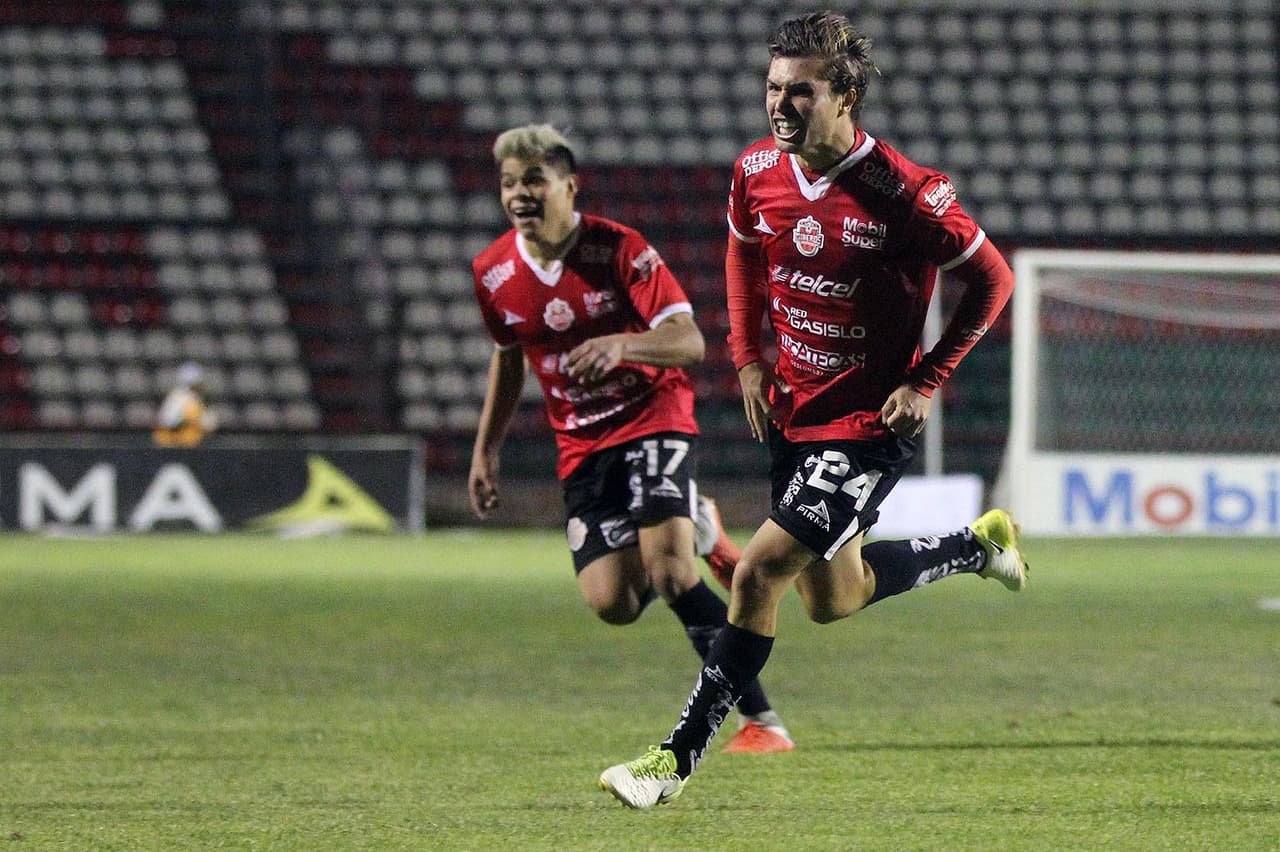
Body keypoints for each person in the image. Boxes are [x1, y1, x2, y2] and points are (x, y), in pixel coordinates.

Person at [599, 11, 1030, 807]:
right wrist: (749, 358)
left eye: (800, 92)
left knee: (758, 572)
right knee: (835, 598)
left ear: (847, 95)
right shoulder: (756, 170)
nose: (780, 105)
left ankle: (672, 764)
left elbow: (994, 281)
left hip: (868, 426)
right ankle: (973, 548)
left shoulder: (908, 193)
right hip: (795, 410)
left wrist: (926, 380)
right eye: (772, 89)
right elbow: (741, 250)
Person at [468, 124, 793, 753]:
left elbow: (690, 341)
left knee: (671, 573)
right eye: (509, 183)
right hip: (581, 445)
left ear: (569, 184)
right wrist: (488, 448)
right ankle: (696, 526)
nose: (518, 194)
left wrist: (624, 344)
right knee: (612, 603)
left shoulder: (619, 249)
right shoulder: (492, 272)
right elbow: (508, 358)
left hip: (653, 416)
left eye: (534, 179)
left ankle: (763, 722)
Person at [153, 362, 217, 447]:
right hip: (173, 445)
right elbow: (168, 421)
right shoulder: (178, 397)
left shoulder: (194, 398)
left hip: (190, 445)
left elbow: (208, 424)